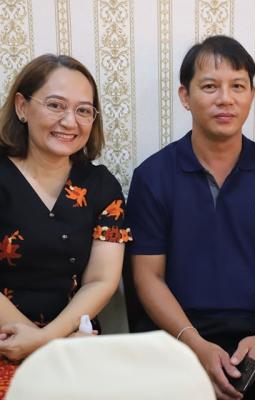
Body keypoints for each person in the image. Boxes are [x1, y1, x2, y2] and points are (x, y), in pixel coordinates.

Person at [127, 35, 255, 400]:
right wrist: (195, 345)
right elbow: (147, 276)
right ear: (185, 96)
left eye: (237, 86)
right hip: (176, 332)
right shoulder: (153, 175)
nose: (225, 99)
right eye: (210, 87)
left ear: (252, 94)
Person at [0, 54, 131, 397]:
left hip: (74, 340)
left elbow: (102, 279)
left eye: (83, 110)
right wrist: (39, 344)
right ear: (22, 107)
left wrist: (47, 340)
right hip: (5, 341)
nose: (70, 121)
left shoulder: (102, 186)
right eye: (56, 105)